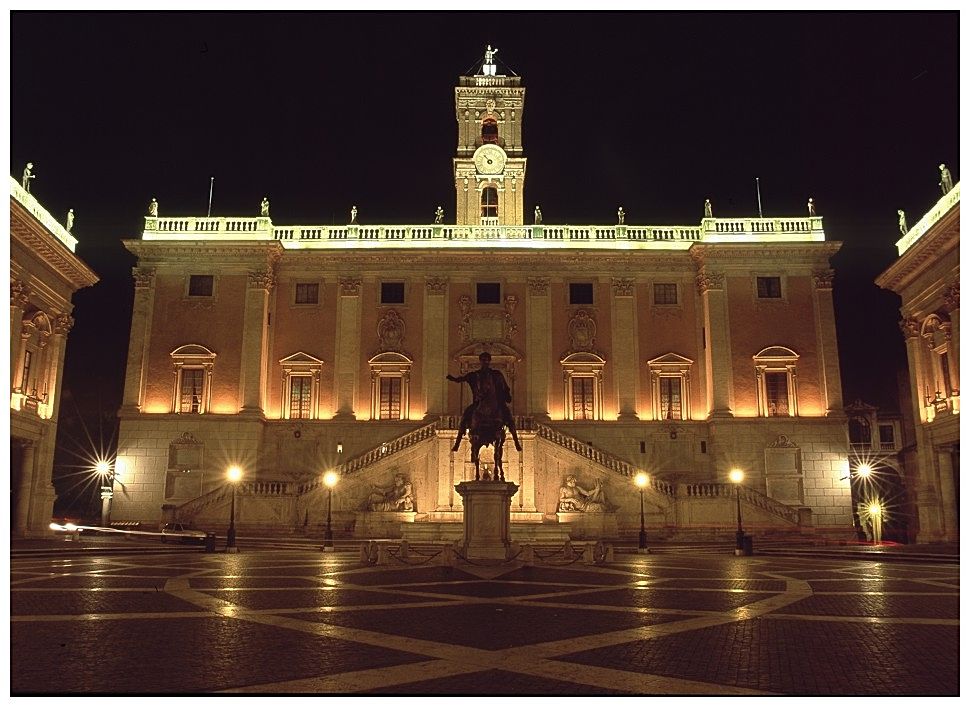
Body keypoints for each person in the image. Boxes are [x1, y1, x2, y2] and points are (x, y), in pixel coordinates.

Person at [446, 351, 521, 452]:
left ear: (489, 361)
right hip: (478, 402)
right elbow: (462, 379)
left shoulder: (496, 374)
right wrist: (453, 379)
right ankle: (457, 443)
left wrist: (507, 396)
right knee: (465, 416)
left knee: (508, 417)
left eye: (486, 360)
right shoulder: (475, 375)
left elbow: (505, 387)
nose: (485, 362)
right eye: (483, 360)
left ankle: (516, 441)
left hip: (497, 403)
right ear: (480, 361)